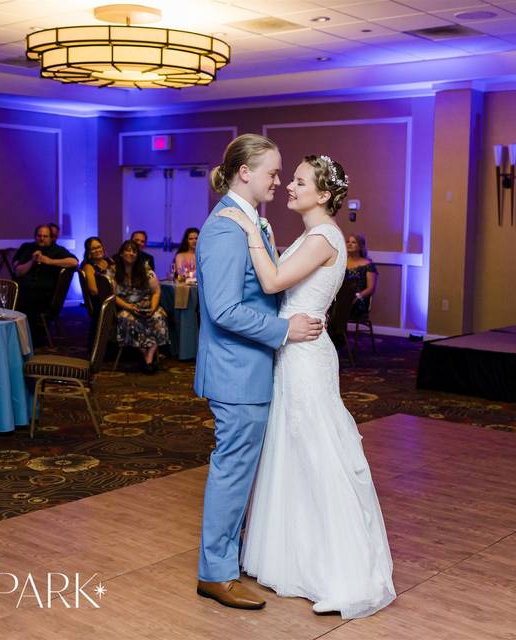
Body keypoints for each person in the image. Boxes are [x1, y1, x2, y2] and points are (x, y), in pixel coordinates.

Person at [218, 154, 396, 619]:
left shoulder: (324, 238)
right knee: (291, 449)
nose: (289, 187)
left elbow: (274, 280)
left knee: (316, 451)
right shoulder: (310, 236)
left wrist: (249, 227)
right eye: (289, 179)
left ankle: (337, 571)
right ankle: (291, 558)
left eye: (298, 182)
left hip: (306, 357)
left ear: (322, 194)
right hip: (291, 352)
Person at [194, 134, 323, 611]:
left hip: (252, 368)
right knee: (232, 472)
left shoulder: (253, 224)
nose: (278, 180)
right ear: (244, 172)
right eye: (272, 171)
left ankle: (229, 559)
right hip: (236, 371)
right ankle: (216, 574)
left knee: (243, 471)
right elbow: (225, 309)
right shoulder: (227, 228)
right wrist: (284, 329)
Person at [13, 224, 79, 346]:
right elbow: (18, 271)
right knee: (13, 298)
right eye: (39, 236)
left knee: (29, 301)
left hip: (45, 294)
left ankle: (30, 340)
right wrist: (32, 261)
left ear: (51, 237)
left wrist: (49, 261)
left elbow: (74, 262)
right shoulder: (27, 248)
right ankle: (17, 339)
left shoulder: (57, 250)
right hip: (23, 290)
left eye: (45, 236)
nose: (42, 238)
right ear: (35, 236)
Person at [112, 240, 168, 373]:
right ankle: (147, 357)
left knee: (159, 316)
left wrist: (153, 308)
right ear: (121, 253)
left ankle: (148, 357)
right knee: (129, 320)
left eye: (134, 251)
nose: (131, 253)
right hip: (126, 307)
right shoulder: (113, 270)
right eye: (128, 250)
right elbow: (113, 296)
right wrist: (129, 307)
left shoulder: (146, 270)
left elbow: (156, 292)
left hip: (147, 306)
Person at [346, 234, 377, 318]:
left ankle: (337, 330)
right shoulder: (342, 262)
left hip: (358, 299)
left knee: (339, 306)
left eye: (353, 242)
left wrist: (357, 296)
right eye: (348, 242)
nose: (349, 244)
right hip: (342, 297)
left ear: (360, 246)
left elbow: (371, 288)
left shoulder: (368, 265)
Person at [80, 236, 115, 305]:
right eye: (93, 249)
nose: (97, 250)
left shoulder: (109, 261)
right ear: (88, 251)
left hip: (115, 296)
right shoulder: (88, 266)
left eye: (99, 247)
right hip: (103, 302)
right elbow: (94, 291)